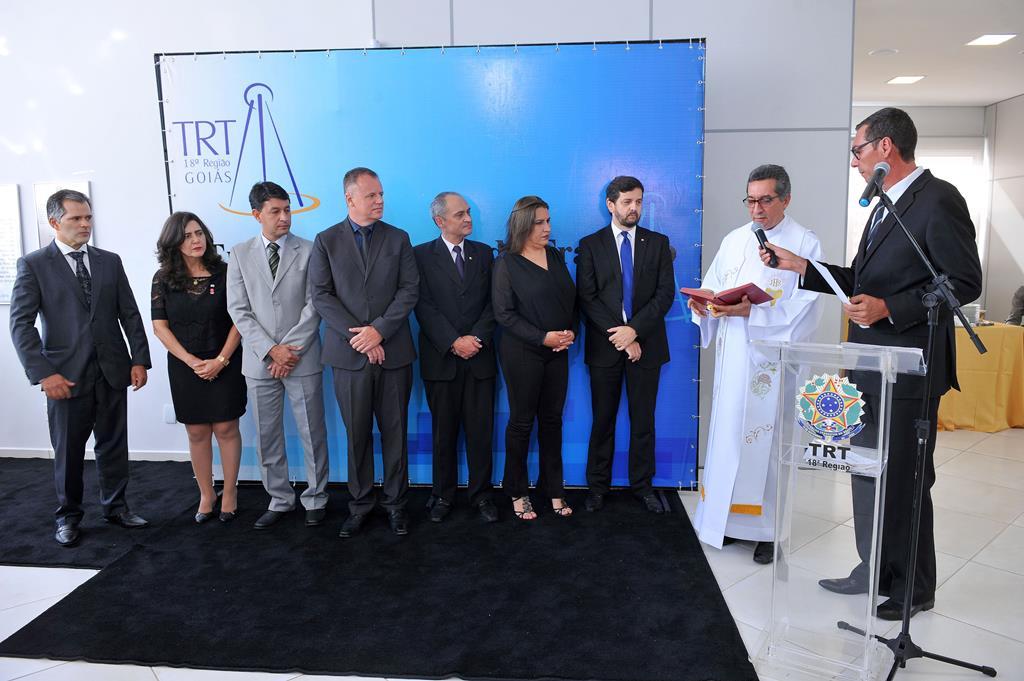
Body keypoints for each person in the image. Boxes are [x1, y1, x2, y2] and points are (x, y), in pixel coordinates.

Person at [763, 108, 983, 619]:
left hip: (908, 370)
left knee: (904, 479)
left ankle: (913, 589)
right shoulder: (885, 205)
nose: (854, 161)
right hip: (869, 366)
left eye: (857, 150)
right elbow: (864, 282)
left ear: (885, 147)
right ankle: (875, 569)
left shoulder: (938, 199)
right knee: (867, 472)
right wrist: (803, 267)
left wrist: (892, 308)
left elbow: (964, 281)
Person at [688, 164, 822, 564]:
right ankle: (726, 522)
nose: (756, 209)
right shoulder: (734, 239)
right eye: (750, 200)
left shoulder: (805, 244)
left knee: (767, 441)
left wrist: (754, 313)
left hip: (773, 362)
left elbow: (806, 306)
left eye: (765, 200)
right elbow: (713, 284)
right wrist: (704, 305)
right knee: (729, 437)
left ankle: (768, 531)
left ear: (786, 199)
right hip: (734, 359)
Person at [9, 189, 151, 547]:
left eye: (88, 217)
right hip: (64, 376)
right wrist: (43, 373)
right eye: (76, 218)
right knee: (69, 452)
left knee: (114, 445)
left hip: (112, 369)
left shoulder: (109, 261)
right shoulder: (34, 265)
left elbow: (130, 314)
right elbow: (21, 325)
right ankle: (68, 517)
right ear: (55, 222)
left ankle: (116, 508)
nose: (85, 224)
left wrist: (139, 359)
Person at [308, 167, 419, 537]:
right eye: (372, 195)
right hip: (349, 356)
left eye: (381, 194)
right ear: (350, 198)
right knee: (356, 435)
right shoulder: (326, 241)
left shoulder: (399, 238)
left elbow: (409, 290)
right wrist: (361, 337)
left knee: (395, 433)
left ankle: (396, 504)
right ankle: (359, 505)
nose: (380, 201)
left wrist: (379, 331)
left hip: (394, 353)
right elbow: (322, 296)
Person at [227, 181, 330, 530]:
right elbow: (239, 310)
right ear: (257, 215)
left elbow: (315, 304)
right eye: (275, 211)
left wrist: (289, 349)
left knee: (312, 432)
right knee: (267, 435)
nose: (284, 217)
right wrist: (271, 350)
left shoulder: (311, 250)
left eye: (287, 210)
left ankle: (316, 498)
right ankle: (280, 499)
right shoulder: (239, 254)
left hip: (302, 357)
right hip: (260, 362)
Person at [576, 176, 676, 515]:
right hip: (605, 349)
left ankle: (643, 486)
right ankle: (597, 487)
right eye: (627, 202)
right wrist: (620, 337)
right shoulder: (590, 245)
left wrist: (633, 331)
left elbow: (664, 295)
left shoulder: (658, 243)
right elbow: (588, 298)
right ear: (611, 204)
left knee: (643, 421)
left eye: (639, 202)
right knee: (602, 420)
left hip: (646, 346)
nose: (634, 208)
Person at [152, 212, 246, 523]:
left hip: (226, 359)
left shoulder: (227, 272)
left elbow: (239, 320)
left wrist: (221, 360)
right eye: (187, 236)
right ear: (173, 243)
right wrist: (191, 361)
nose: (196, 240)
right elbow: (160, 327)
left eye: (199, 233)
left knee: (226, 428)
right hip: (185, 365)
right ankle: (207, 493)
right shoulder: (163, 279)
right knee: (196, 431)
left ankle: (230, 492)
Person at [413, 192, 499, 523]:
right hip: (441, 360)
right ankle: (442, 495)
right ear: (440, 221)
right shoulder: (420, 255)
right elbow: (422, 305)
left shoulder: (484, 253)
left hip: (479, 357)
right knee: (443, 433)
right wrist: (452, 342)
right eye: (460, 214)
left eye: (469, 212)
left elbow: (494, 303)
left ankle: (482, 496)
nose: (468, 219)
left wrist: (475, 339)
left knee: (481, 432)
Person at [492, 196, 577, 520]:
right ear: (523, 224)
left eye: (548, 221)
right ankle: (517, 491)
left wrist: (569, 333)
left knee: (552, 421)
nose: (547, 228)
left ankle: (553, 489)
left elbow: (570, 300)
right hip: (522, 353)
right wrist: (542, 337)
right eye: (540, 222)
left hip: (558, 352)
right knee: (522, 422)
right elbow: (504, 314)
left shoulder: (554, 255)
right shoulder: (507, 263)